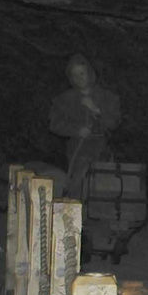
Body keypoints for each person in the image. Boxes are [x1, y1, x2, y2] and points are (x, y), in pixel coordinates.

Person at [48, 53, 121, 193]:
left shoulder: (107, 97)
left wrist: (96, 110)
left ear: (89, 73)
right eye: (74, 75)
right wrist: (77, 130)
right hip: (79, 151)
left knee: (105, 191)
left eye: (82, 74)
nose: (79, 79)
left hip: (103, 150)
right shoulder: (65, 99)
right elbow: (54, 124)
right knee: (77, 186)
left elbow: (114, 122)